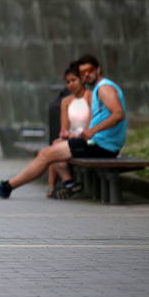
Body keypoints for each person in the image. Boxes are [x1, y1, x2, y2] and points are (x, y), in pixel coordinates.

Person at [0, 54, 126, 199]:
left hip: (102, 146)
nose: (86, 75)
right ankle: (63, 182)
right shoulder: (99, 89)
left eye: (90, 70)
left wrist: (92, 131)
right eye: (82, 73)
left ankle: (6, 187)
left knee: (46, 154)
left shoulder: (104, 87)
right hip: (97, 143)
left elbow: (119, 114)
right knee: (49, 151)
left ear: (98, 70)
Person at [46, 63, 92, 198]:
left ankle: (62, 184)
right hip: (71, 138)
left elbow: (91, 124)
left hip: (87, 138)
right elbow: (64, 127)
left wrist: (77, 135)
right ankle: (68, 182)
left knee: (54, 148)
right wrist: (65, 134)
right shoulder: (66, 101)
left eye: (74, 80)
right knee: (55, 144)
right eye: (68, 82)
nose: (71, 84)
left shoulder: (90, 97)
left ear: (82, 80)